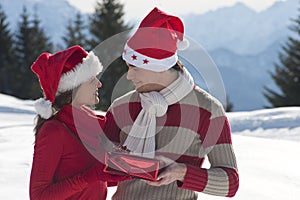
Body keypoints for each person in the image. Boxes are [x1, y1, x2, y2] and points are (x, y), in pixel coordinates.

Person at [103, 7, 239, 199]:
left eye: (135, 68)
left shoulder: (207, 110)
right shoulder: (121, 106)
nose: (129, 76)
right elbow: (100, 175)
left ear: (158, 67)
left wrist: (181, 172)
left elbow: (230, 183)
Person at [29, 45, 128, 200]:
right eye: (91, 79)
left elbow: (88, 180)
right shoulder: (54, 130)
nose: (99, 84)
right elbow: (39, 195)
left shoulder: (90, 125)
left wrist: (116, 172)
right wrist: (94, 175)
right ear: (72, 87)